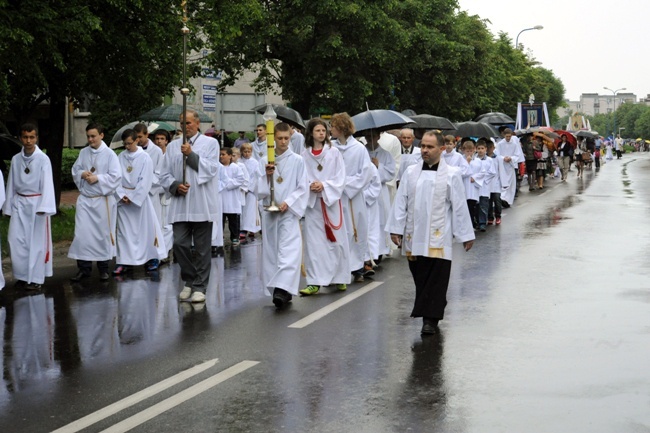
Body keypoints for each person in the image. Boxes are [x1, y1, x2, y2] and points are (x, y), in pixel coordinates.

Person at [386, 131, 475, 335]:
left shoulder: (451, 174)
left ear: (441, 149)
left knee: (437, 278)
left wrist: (465, 235)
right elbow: (401, 202)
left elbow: (459, 206)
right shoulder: (410, 172)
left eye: (429, 147)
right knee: (421, 276)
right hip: (414, 235)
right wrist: (395, 229)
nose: (424, 150)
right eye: (423, 146)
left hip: (439, 236)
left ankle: (430, 320)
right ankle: (431, 310)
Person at [160, 109, 220, 303]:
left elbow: (210, 169)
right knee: (179, 243)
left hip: (201, 202)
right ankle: (190, 279)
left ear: (197, 124)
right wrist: (176, 186)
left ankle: (200, 286)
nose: (185, 126)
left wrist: (191, 154)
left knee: (202, 248)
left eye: (188, 123)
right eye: (182, 123)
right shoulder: (172, 147)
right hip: (180, 203)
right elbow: (164, 174)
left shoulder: (211, 143)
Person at [257, 122, 308, 308]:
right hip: (270, 214)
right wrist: (266, 176)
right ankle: (279, 290)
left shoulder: (297, 160)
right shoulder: (264, 160)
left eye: (287, 138)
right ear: (273, 139)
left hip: (288, 212)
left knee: (288, 251)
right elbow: (257, 190)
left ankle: (282, 289)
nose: (284, 141)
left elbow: (303, 187)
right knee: (272, 251)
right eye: (280, 138)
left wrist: (290, 202)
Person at [299, 118, 350, 296]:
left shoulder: (333, 152)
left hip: (331, 203)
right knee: (314, 244)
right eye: (318, 130)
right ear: (310, 133)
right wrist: (310, 185)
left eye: (323, 130)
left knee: (335, 240)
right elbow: (301, 176)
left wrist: (325, 185)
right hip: (313, 205)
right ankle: (314, 281)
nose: (321, 133)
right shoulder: (304, 154)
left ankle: (339, 278)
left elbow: (340, 177)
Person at [3, 123, 56, 289]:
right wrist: (9, 207)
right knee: (16, 240)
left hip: (36, 204)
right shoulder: (16, 159)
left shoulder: (43, 159)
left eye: (32, 137)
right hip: (19, 203)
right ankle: (22, 275)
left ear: (36, 138)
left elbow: (47, 184)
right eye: (25, 137)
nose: (28, 140)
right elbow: (11, 183)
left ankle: (35, 279)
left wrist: (44, 207)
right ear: (20, 138)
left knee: (36, 242)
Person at [69, 123, 122, 282]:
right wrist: (82, 174)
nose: (90, 139)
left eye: (93, 136)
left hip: (102, 201)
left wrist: (97, 178)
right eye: (88, 136)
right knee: (82, 235)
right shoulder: (83, 152)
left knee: (102, 236)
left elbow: (116, 177)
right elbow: (75, 170)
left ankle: (103, 269)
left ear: (101, 135)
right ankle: (83, 269)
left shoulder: (110, 154)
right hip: (86, 201)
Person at [113, 129, 166, 275]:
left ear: (137, 141)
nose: (127, 147)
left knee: (145, 231)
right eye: (125, 144)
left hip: (139, 200)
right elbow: (116, 177)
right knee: (124, 233)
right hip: (123, 199)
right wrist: (121, 194)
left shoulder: (145, 158)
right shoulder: (120, 157)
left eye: (129, 143)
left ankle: (151, 259)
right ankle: (124, 261)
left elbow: (146, 179)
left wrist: (134, 197)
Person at [330, 112, 374, 283]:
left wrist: (345, 186)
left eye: (333, 126)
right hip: (335, 196)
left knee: (356, 230)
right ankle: (339, 267)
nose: (330, 129)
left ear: (341, 128)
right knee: (338, 231)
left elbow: (365, 173)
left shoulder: (359, 149)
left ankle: (357, 267)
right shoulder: (331, 149)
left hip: (352, 197)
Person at [134, 123, 165, 271]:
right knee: (137, 227)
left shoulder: (157, 152)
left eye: (140, 137)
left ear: (147, 135)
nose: (137, 140)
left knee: (153, 226)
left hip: (151, 193)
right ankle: (137, 256)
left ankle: (155, 257)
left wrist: (144, 182)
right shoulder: (132, 151)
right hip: (136, 194)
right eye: (136, 137)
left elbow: (159, 174)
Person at [152, 129, 174, 257]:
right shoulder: (152, 155)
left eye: (162, 139)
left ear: (166, 141)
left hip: (166, 195)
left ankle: (165, 252)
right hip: (154, 194)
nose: (159, 141)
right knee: (157, 225)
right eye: (157, 139)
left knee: (166, 225)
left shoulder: (169, 156)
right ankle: (158, 250)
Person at [219, 147, 246, 247]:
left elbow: (240, 179)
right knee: (220, 219)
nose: (221, 156)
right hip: (221, 196)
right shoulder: (217, 167)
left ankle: (235, 237)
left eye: (223, 154)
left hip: (232, 197)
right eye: (220, 154)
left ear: (230, 156)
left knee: (233, 220)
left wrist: (227, 184)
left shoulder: (235, 167)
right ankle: (219, 238)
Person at [494, 128, 524, 207]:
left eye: (509, 136)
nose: (508, 138)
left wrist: (511, 158)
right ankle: (502, 197)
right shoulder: (500, 144)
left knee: (511, 184)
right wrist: (503, 158)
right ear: (504, 135)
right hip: (502, 166)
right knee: (503, 182)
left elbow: (517, 155)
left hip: (510, 166)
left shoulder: (514, 144)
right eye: (507, 136)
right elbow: (497, 154)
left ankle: (508, 200)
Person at [240, 142, 262, 239]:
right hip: (241, 189)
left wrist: (249, 188)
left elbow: (257, 177)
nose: (247, 154)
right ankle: (243, 228)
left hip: (251, 190)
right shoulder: (239, 161)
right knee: (242, 211)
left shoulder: (255, 162)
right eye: (245, 152)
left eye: (249, 152)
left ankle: (252, 229)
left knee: (251, 211)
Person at [486, 140, 502, 225]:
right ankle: (490, 217)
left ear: (493, 148)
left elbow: (501, 170)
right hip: (487, 183)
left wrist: (503, 182)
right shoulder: (483, 158)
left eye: (490, 147)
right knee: (488, 201)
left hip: (496, 182)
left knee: (497, 200)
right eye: (487, 147)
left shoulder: (497, 158)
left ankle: (498, 216)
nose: (489, 149)